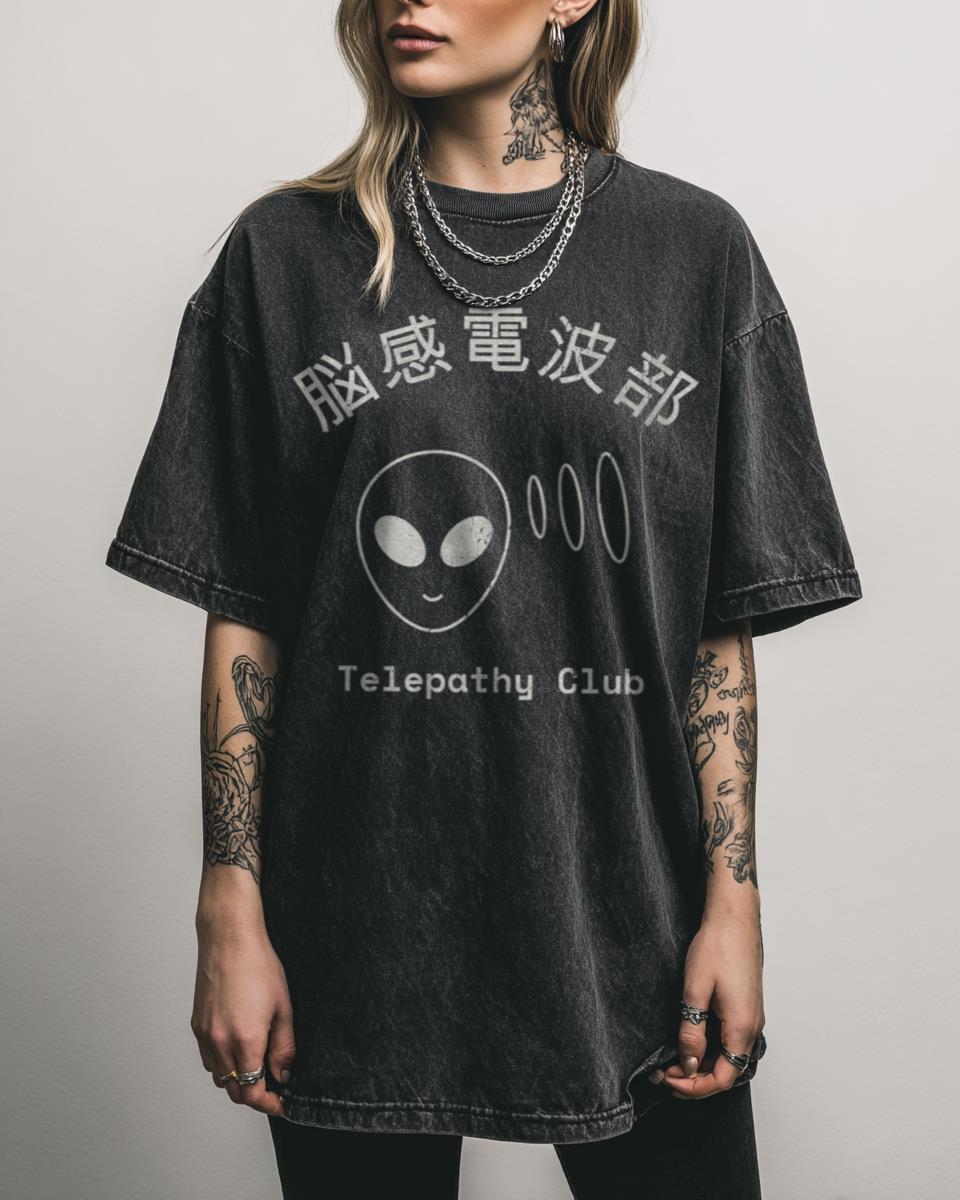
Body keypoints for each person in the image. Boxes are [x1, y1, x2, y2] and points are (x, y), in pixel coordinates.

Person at [104, 0, 863, 1196]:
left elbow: (715, 632)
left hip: (629, 915)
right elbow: (245, 609)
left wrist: (734, 901)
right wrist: (229, 905)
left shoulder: (693, 252)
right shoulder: (285, 254)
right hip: (353, 923)